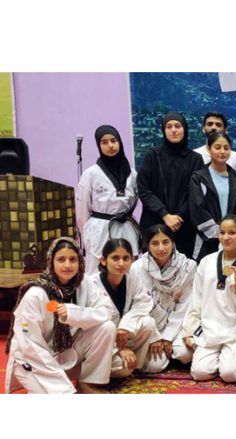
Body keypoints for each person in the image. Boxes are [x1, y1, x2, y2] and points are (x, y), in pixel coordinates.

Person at [4, 237, 116, 394]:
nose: (68, 265)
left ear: (80, 262)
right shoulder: (36, 293)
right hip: (34, 362)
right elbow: (29, 345)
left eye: (73, 259)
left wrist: (73, 313)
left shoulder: (85, 284)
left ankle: (90, 382)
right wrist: (60, 383)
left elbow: (107, 312)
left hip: (65, 354)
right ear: (51, 262)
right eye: (61, 259)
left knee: (107, 327)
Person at [181, 215, 236, 382]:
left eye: (232, 233)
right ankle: (218, 358)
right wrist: (189, 329)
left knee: (230, 374)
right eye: (222, 232)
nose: (226, 237)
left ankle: (228, 359)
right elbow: (196, 298)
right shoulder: (207, 261)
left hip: (235, 331)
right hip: (209, 330)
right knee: (199, 373)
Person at [89, 239, 160, 378]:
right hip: (101, 343)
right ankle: (120, 363)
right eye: (115, 258)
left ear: (131, 260)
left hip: (122, 336)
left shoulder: (133, 278)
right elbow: (96, 323)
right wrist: (119, 349)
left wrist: (125, 327)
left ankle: (133, 364)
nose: (121, 263)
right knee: (122, 367)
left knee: (148, 323)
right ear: (103, 260)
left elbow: (143, 303)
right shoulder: (92, 284)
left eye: (126, 258)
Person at [129, 224, 198, 369]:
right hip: (149, 326)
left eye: (165, 242)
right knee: (154, 367)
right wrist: (155, 337)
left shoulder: (188, 266)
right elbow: (138, 306)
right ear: (147, 246)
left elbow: (185, 304)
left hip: (177, 323)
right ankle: (162, 353)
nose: (161, 248)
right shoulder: (137, 267)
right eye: (155, 243)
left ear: (173, 243)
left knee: (185, 354)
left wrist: (167, 336)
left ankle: (170, 350)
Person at [137, 111, 204, 259]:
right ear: (163, 130)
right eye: (169, 126)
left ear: (185, 129)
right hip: (154, 222)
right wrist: (164, 214)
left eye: (178, 126)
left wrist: (179, 216)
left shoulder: (196, 159)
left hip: (183, 225)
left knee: (181, 271)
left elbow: (195, 192)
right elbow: (143, 189)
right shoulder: (152, 156)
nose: (173, 130)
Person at [76, 125, 140, 274]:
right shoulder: (91, 174)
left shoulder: (131, 173)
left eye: (113, 140)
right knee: (98, 272)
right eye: (104, 142)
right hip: (100, 228)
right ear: (99, 145)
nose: (110, 146)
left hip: (126, 226)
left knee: (128, 270)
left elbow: (135, 200)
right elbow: (82, 208)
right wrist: (87, 234)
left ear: (120, 142)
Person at [189, 131, 236, 262]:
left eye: (226, 148)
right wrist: (220, 233)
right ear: (209, 149)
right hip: (207, 241)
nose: (222, 151)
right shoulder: (199, 178)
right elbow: (197, 210)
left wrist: (231, 232)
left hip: (234, 240)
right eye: (217, 147)